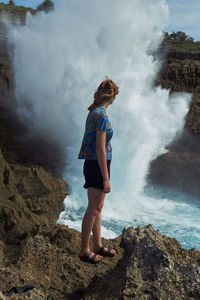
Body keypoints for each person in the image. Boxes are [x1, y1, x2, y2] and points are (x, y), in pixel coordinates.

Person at [78, 77, 119, 264]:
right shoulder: (101, 115)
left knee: (97, 207)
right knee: (93, 208)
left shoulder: (94, 110)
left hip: (93, 163)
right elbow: (100, 149)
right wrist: (106, 178)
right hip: (97, 164)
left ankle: (97, 245)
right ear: (113, 96)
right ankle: (85, 251)